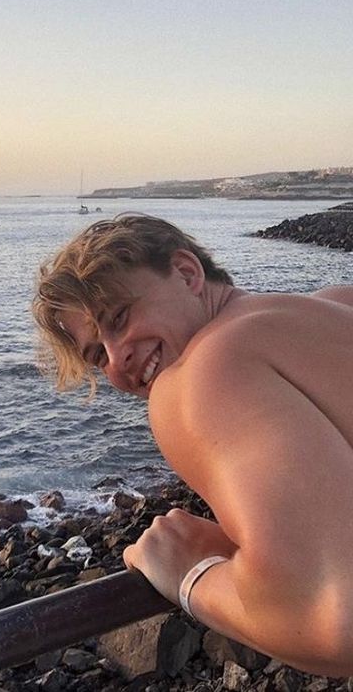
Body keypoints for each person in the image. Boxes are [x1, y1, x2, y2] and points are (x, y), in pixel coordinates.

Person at [33, 214, 353, 676]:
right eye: (97, 354)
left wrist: (189, 575)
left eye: (119, 317)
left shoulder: (204, 373)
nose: (118, 358)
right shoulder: (335, 305)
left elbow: (332, 621)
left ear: (187, 273)